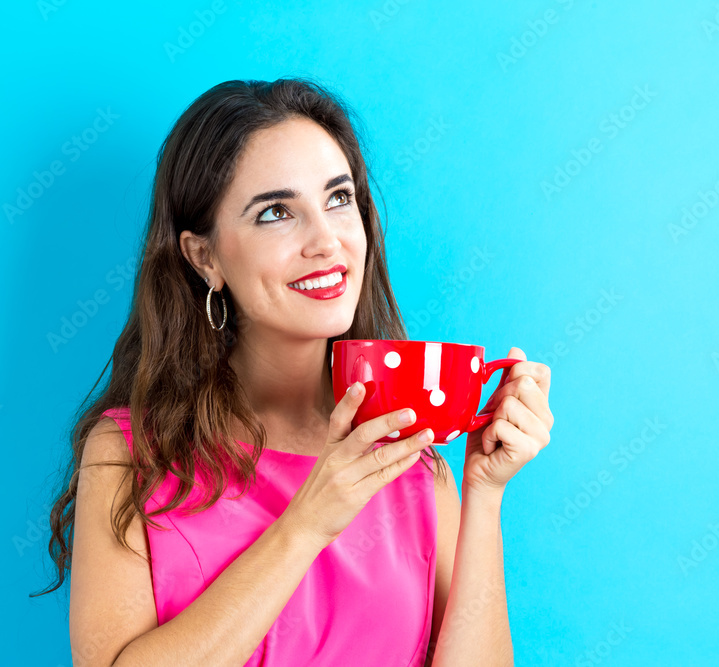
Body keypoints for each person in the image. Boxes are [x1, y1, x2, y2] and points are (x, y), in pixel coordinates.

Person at [34, 77, 554, 666]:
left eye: (338, 199)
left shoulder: (410, 461)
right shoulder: (129, 454)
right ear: (205, 257)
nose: (326, 240)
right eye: (277, 212)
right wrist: (307, 524)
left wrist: (485, 493)